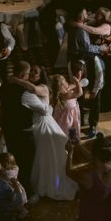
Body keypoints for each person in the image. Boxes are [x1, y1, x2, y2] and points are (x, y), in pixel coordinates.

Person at [11, 72, 78, 201]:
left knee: (48, 155)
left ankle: (51, 183)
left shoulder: (44, 88)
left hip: (46, 126)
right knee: (49, 155)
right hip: (45, 125)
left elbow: (34, 89)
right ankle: (51, 181)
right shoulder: (48, 92)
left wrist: (17, 80)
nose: (32, 75)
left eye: (36, 72)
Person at [67, 8, 107, 138]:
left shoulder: (78, 26)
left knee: (90, 94)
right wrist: (102, 48)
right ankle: (86, 123)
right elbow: (87, 47)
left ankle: (90, 124)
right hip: (84, 62)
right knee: (82, 95)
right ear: (80, 16)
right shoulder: (80, 30)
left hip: (85, 64)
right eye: (85, 13)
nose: (88, 15)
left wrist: (95, 89)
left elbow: (99, 78)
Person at [0, 61, 36, 201]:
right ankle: (26, 190)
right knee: (26, 161)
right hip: (22, 130)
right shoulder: (23, 90)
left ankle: (15, 186)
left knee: (14, 159)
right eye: (27, 74)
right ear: (23, 75)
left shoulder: (4, 86)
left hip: (9, 128)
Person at [51, 73, 83, 144]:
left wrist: (72, 85)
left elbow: (71, 86)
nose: (67, 82)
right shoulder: (67, 95)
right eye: (64, 81)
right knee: (71, 130)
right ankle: (70, 145)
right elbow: (80, 93)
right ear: (62, 86)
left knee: (63, 131)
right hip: (69, 118)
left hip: (62, 118)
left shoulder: (59, 95)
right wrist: (77, 82)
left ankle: (66, 145)